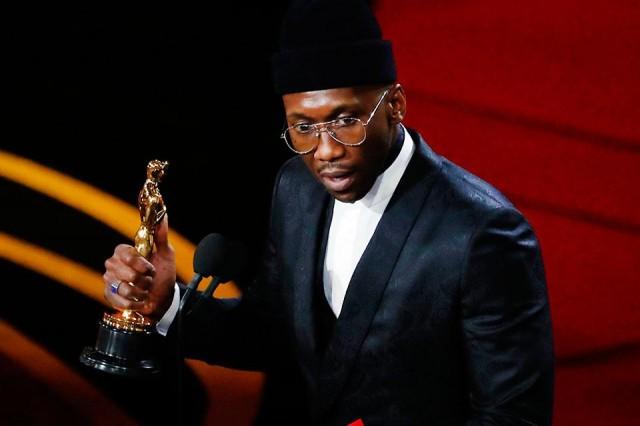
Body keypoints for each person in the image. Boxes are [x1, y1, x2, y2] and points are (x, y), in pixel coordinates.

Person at [102, 0, 554, 424]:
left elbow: (513, 415)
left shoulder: (482, 231)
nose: (325, 152)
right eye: (303, 127)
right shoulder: (297, 189)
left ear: (394, 105)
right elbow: (275, 331)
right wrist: (167, 304)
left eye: (344, 120)